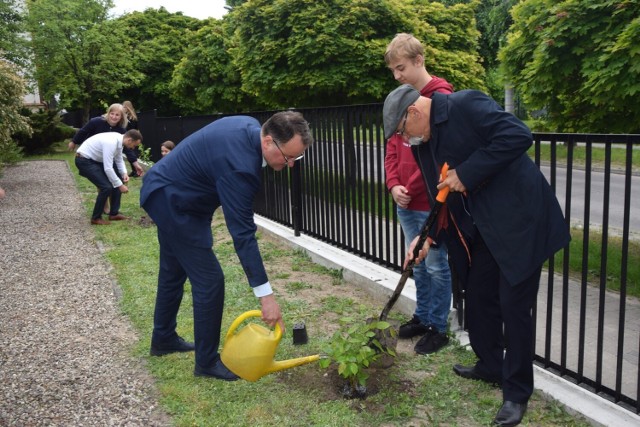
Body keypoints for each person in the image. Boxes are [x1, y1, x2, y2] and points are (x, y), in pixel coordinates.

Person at [383, 84, 570, 426]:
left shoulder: (465, 105)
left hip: (521, 222)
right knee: (480, 296)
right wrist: (426, 239)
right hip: (484, 229)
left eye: (401, 131)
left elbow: (518, 135)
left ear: (413, 112)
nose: (403, 139)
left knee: (514, 308)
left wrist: (466, 173)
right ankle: (490, 365)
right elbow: (442, 196)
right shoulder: (423, 145)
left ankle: (516, 393)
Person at [140, 111, 313, 381]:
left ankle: (163, 338)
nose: (291, 164)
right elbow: (242, 234)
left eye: (296, 158)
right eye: (288, 156)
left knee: (173, 271)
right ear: (268, 141)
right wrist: (266, 297)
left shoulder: (249, 127)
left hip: (173, 193)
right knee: (210, 281)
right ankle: (207, 363)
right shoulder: (240, 167)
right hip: (173, 202)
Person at [383, 33, 454, 354]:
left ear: (418, 60)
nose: (397, 76)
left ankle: (439, 326)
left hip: (431, 204)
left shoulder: (439, 98)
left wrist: (413, 186)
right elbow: (392, 151)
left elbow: (442, 158)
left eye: (401, 68)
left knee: (437, 266)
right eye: (393, 71)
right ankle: (423, 317)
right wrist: (393, 183)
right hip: (405, 202)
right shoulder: (401, 98)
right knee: (417, 264)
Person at [75, 130, 143, 225]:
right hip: (84, 160)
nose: (133, 148)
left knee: (117, 180)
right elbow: (108, 168)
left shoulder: (120, 140)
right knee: (106, 187)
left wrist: (124, 173)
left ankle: (114, 214)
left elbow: (118, 159)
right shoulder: (111, 142)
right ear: (129, 140)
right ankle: (96, 218)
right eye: (134, 145)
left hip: (96, 160)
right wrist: (120, 185)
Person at [122, 100, 144, 177]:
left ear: (127, 107)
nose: (123, 108)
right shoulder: (130, 116)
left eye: (124, 107)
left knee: (131, 154)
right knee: (130, 154)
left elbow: (135, 128)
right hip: (129, 136)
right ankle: (134, 170)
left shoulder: (131, 117)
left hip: (130, 137)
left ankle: (135, 170)